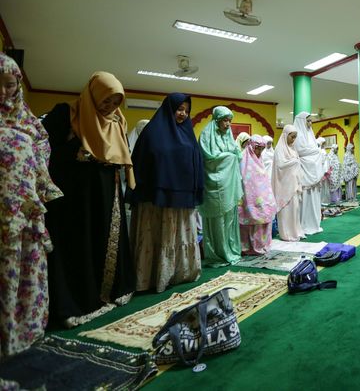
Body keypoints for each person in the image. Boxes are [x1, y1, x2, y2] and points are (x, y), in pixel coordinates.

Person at [43, 71, 136, 327]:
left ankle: (108, 290)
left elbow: (120, 156)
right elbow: (42, 153)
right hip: (74, 198)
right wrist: (76, 153)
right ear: (93, 94)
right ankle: (80, 300)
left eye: (115, 102)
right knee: (78, 242)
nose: (110, 107)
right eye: (106, 100)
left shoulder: (117, 122)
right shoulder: (66, 114)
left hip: (106, 193)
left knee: (105, 238)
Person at [0, 54, 63, 357]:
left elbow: (41, 150)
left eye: (8, 85)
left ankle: (23, 331)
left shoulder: (26, 121)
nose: (3, 92)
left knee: (24, 265)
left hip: (25, 208)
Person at [129, 93, 203, 293]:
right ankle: (152, 277)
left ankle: (180, 273)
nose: (183, 114)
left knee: (178, 234)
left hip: (181, 198)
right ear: (169, 109)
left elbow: (196, 161)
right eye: (179, 109)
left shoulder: (187, 134)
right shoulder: (152, 132)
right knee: (158, 235)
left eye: (187, 111)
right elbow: (142, 162)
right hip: (156, 200)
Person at [198, 106, 243, 267]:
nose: (228, 124)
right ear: (217, 120)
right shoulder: (206, 135)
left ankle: (230, 249)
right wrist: (229, 157)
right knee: (217, 220)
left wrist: (232, 156)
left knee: (229, 219)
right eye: (225, 120)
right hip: (214, 185)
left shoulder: (228, 135)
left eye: (230, 120)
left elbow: (236, 154)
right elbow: (209, 159)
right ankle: (218, 253)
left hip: (229, 186)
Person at [238, 134, 278, 255]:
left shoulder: (258, 159)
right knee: (250, 217)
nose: (259, 151)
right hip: (248, 198)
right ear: (251, 147)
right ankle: (248, 247)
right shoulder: (243, 159)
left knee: (266, 212)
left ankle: (262, 244)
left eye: (261, 149)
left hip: (262, 195)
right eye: (257, 148)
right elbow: (244, 179)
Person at [293, 112, 324, 235]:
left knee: (314, 198)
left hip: (313, 170)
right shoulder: (298, 135)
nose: (310, 123)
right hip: (304, 171)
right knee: (305, 198)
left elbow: (314, 150)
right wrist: (316, 152)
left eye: (311, 120)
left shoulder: (310, 134)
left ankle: (314, 224)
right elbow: (301, 151)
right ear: (301, 121)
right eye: (308, 120)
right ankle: (304, 224)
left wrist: (316, 152)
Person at [272, 124, 304, 241]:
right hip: (284, 186)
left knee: (295, 209)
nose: (293, 139)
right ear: (285, 135)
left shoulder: (292, 149)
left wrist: (295, 162)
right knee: (286, 210)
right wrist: (294, 162)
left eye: (295, 137)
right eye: (292, 136)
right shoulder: (279, 149)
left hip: (293, 184)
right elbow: (280, 166)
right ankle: (286, 234)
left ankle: (296, 231)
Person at [318, 137, 331, 205]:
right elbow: (322, 162)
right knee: (322, 187)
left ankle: (325, 200)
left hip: (325, 171)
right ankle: (322, 200)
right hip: (323, 172)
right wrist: (325, 171)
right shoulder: (320, 151)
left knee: (325, 187)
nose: (324, 145)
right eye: (323, 143)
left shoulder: (323, 151)